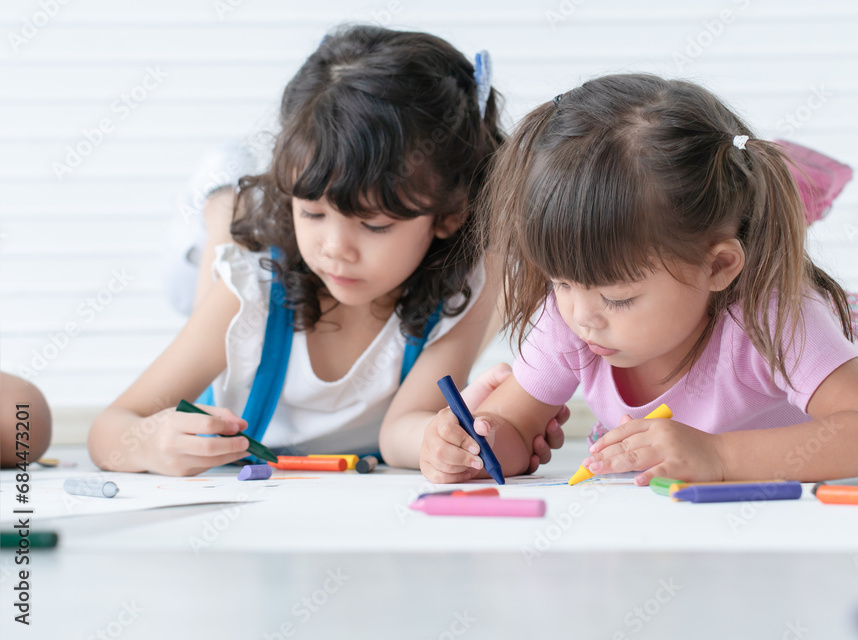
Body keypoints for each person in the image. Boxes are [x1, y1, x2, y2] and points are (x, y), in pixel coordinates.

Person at [418, 73, 858, 484]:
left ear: (720, 265)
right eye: (560, 282)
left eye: (619, 297)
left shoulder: (777, 319)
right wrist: (475, 445)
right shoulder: (576, 312)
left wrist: (717, 456)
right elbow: (516, 431)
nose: (581, 315)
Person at [89, 25, 564, 477]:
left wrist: (447, 440)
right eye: (313, 213)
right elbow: (110, 428)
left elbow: (405, 429)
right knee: (227, 247)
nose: (336, 249)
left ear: (448, 213)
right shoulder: (249, 289)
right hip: (263, 261)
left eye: (374, 224)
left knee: (503, 254)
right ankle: (223, 201)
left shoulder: (466, 285)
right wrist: (149, 441)